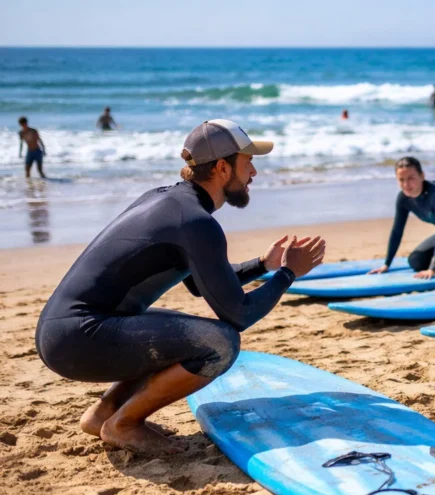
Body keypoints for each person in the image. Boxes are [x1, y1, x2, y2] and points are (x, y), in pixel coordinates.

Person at [35, 119, 325, 455]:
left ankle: (104, 412)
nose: (254, 173)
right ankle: (124, 424)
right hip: (80, 339)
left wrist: (264, 265)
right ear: (221, 167)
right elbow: (239, 314)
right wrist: (288, 274)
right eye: (248, 163)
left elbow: (200, 286)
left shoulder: (168, 202)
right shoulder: (196, 223)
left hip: (62, 334)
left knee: (180, 332)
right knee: (221, 343)